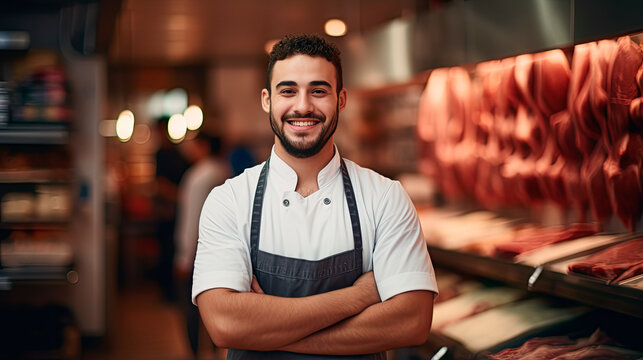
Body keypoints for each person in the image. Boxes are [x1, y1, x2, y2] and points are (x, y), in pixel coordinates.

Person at [192, 34, 438, 359]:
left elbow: (412, 322)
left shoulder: (385, 197)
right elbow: (224, 325)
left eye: (319, 91)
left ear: (342, 99)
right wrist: (357, 297)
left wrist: (266, 331)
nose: (303, 106)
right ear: (267, 100)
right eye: (288, 90)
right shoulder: (229, 201)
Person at [174, 132, 231, 357]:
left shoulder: (199, 176)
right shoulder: (224, 170)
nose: (190, 149)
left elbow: (192, 219)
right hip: (223, 252)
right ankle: (217, 350)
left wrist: (184, 256)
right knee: (218, 306)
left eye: (194, 144)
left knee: (191, 306)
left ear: (205, 146)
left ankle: (195, 352)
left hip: (198, 253)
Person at [154, 116, 189, 302]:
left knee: (170, 251)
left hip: (172, 211)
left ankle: (171, 294)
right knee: (166, 252)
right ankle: (169, 293)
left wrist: (175, 196)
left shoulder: (173, 153)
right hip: (168, 210)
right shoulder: (169, 152)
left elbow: (161, 185)